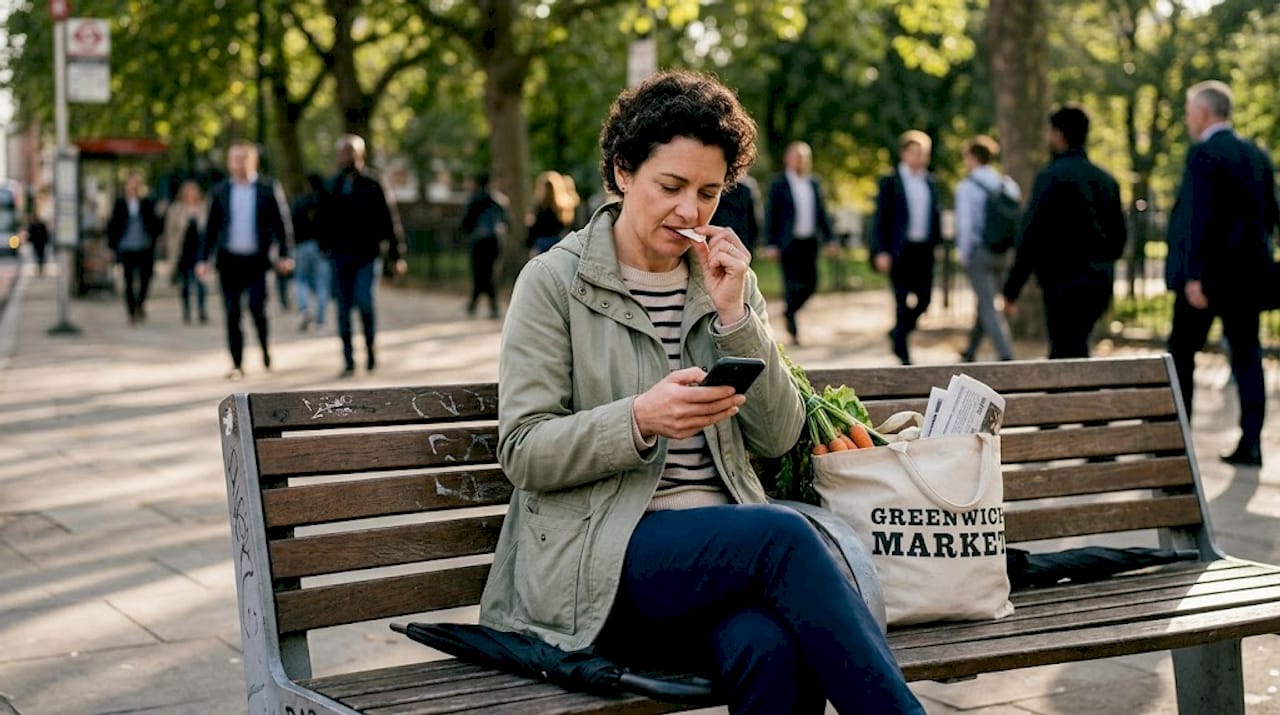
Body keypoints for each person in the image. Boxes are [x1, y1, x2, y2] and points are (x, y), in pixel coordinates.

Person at [479, 70, 923, 715]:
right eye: (671, 186)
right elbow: (524, 450)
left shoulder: (722, 281)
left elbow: (776, 435)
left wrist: (736, 319)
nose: (690, 211)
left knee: (769, 647)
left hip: (723, 559)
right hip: (604, 560)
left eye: (709, 192)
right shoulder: (554, 282)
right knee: (786, 537)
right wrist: (639, 419)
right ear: (624, 171)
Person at [1167, 80, 1278, 467]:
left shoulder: (1204, 155)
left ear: (1203, 112)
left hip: (1209, 279)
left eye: (1189, 112)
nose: (1187, 120)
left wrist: (1193, 275)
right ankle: (1252, 442)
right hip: (1248, 279)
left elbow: (1196, 218)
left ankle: (1176, 439)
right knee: (1247, 356)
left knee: (1181, 353)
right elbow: (1270, 218)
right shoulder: (1257, 155)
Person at [1002, 106, 1127, 359]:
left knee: (1063, 350)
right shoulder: (1105, 180)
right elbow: (1120, 239)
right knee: (1078, 346)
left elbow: (1031, 235)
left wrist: (1011, 289)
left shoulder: (1050, 177)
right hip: (1096, 282)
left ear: (1059, 135)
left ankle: (1068, 398)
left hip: (1061, 282)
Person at [197, 141, 294, 380]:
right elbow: (210, 229)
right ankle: (237, 363)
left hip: (257, 262)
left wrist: (285, 254)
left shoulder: (267, 188)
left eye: (243, 159)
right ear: (229, 163)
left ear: (253, 161)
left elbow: (282, 225)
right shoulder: (220, 191)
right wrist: (203, 259)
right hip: (229, 261)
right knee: (232, 314)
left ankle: (264, 350)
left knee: (257, 309)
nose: (238, 164)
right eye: (234, 159)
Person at [318, 134, 407, 378]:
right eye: (342, 153)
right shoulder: (331, 185)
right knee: (343, 309)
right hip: (339, 257)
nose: (345, 157)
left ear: (360, 155)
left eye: (350, 152)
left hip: (367, 256)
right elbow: (321, 219)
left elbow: (391, 221)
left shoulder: (374, 183)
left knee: (365, 301)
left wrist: (397, 254)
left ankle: (370, 350)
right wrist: (324, 247)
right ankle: (348, 359)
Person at [871, 131, 943, 365]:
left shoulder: (930, 182)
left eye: (924, 152)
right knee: (901, 300)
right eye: (915, 151)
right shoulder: (890, 181)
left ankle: (898, 333)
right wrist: (880, 251)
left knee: (925, 299)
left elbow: (936, 216)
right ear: (904, 153)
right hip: (899, 250)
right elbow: (880, 218)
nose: (920, 156)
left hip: (924, 250)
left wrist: (938, 244)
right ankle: (903, 352)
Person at [955, 136, 1019, 362]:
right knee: (985, 300)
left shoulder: (967, 187)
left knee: (988, 305)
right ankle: (971, 350)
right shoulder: (1007, 184)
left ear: (971, 157)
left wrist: (964, 254)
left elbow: (965, 224)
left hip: (980, 252)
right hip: (1004, 252)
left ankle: (1005, 353)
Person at [765, 141, 835, 345]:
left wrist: (830, 238)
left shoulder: (813, 183)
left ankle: (789, 311)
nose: (801, 160)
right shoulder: (779, 184)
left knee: (811, 284)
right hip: (788, 243)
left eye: (804, 157)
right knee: (790, 284)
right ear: (788, 158)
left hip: (810, 242)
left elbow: (822, 213)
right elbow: (772, 214)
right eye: (797, 156)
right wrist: (770, 244)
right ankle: (793, 330)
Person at [106, 172, 164, 325]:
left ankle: (141, 304)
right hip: (126, 248)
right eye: (131, 183)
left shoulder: (147, 202)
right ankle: (131, 312)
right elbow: (113, 226)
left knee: (146, 279)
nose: (134, 187)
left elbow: (155, 224)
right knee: (129, 281)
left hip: (144, 247)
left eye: (137, 183)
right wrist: (111, 247)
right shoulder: (120, 203)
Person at [459, 173, 506, 319]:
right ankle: (490, 306)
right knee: (490, 273)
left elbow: (466, 222)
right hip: (493, 241)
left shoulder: (474, 200)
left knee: (479, 273)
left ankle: (475, 304)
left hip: (479, 241)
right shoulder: (497, 201)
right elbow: (505, 220)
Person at [163, 180, 209, 324]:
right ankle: (187, 312)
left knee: (201, 283)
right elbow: (169, 232)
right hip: (183, 252)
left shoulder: (204, 208)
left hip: (200, 252)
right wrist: (170, 251)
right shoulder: (176, 209)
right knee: (185, 284)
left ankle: (202, 311)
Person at [291, 173, 329, 332]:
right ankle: (320, 321)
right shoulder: (327, 202)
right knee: (322, 283)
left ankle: (304, 308)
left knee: (301, 280)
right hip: (322, 248)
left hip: (301, 247)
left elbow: (290, 225)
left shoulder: (299, 201)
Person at [525, 170, 575, 256]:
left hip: (542, 244)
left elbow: (532, 228)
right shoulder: (562, 208)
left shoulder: (538, 207)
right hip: (558, 244)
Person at [710, 173, 761, 253]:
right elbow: (753, 222)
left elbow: (752, 221)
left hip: (721, 239)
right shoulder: (745, 191)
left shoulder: (716, 191)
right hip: (738, 241)